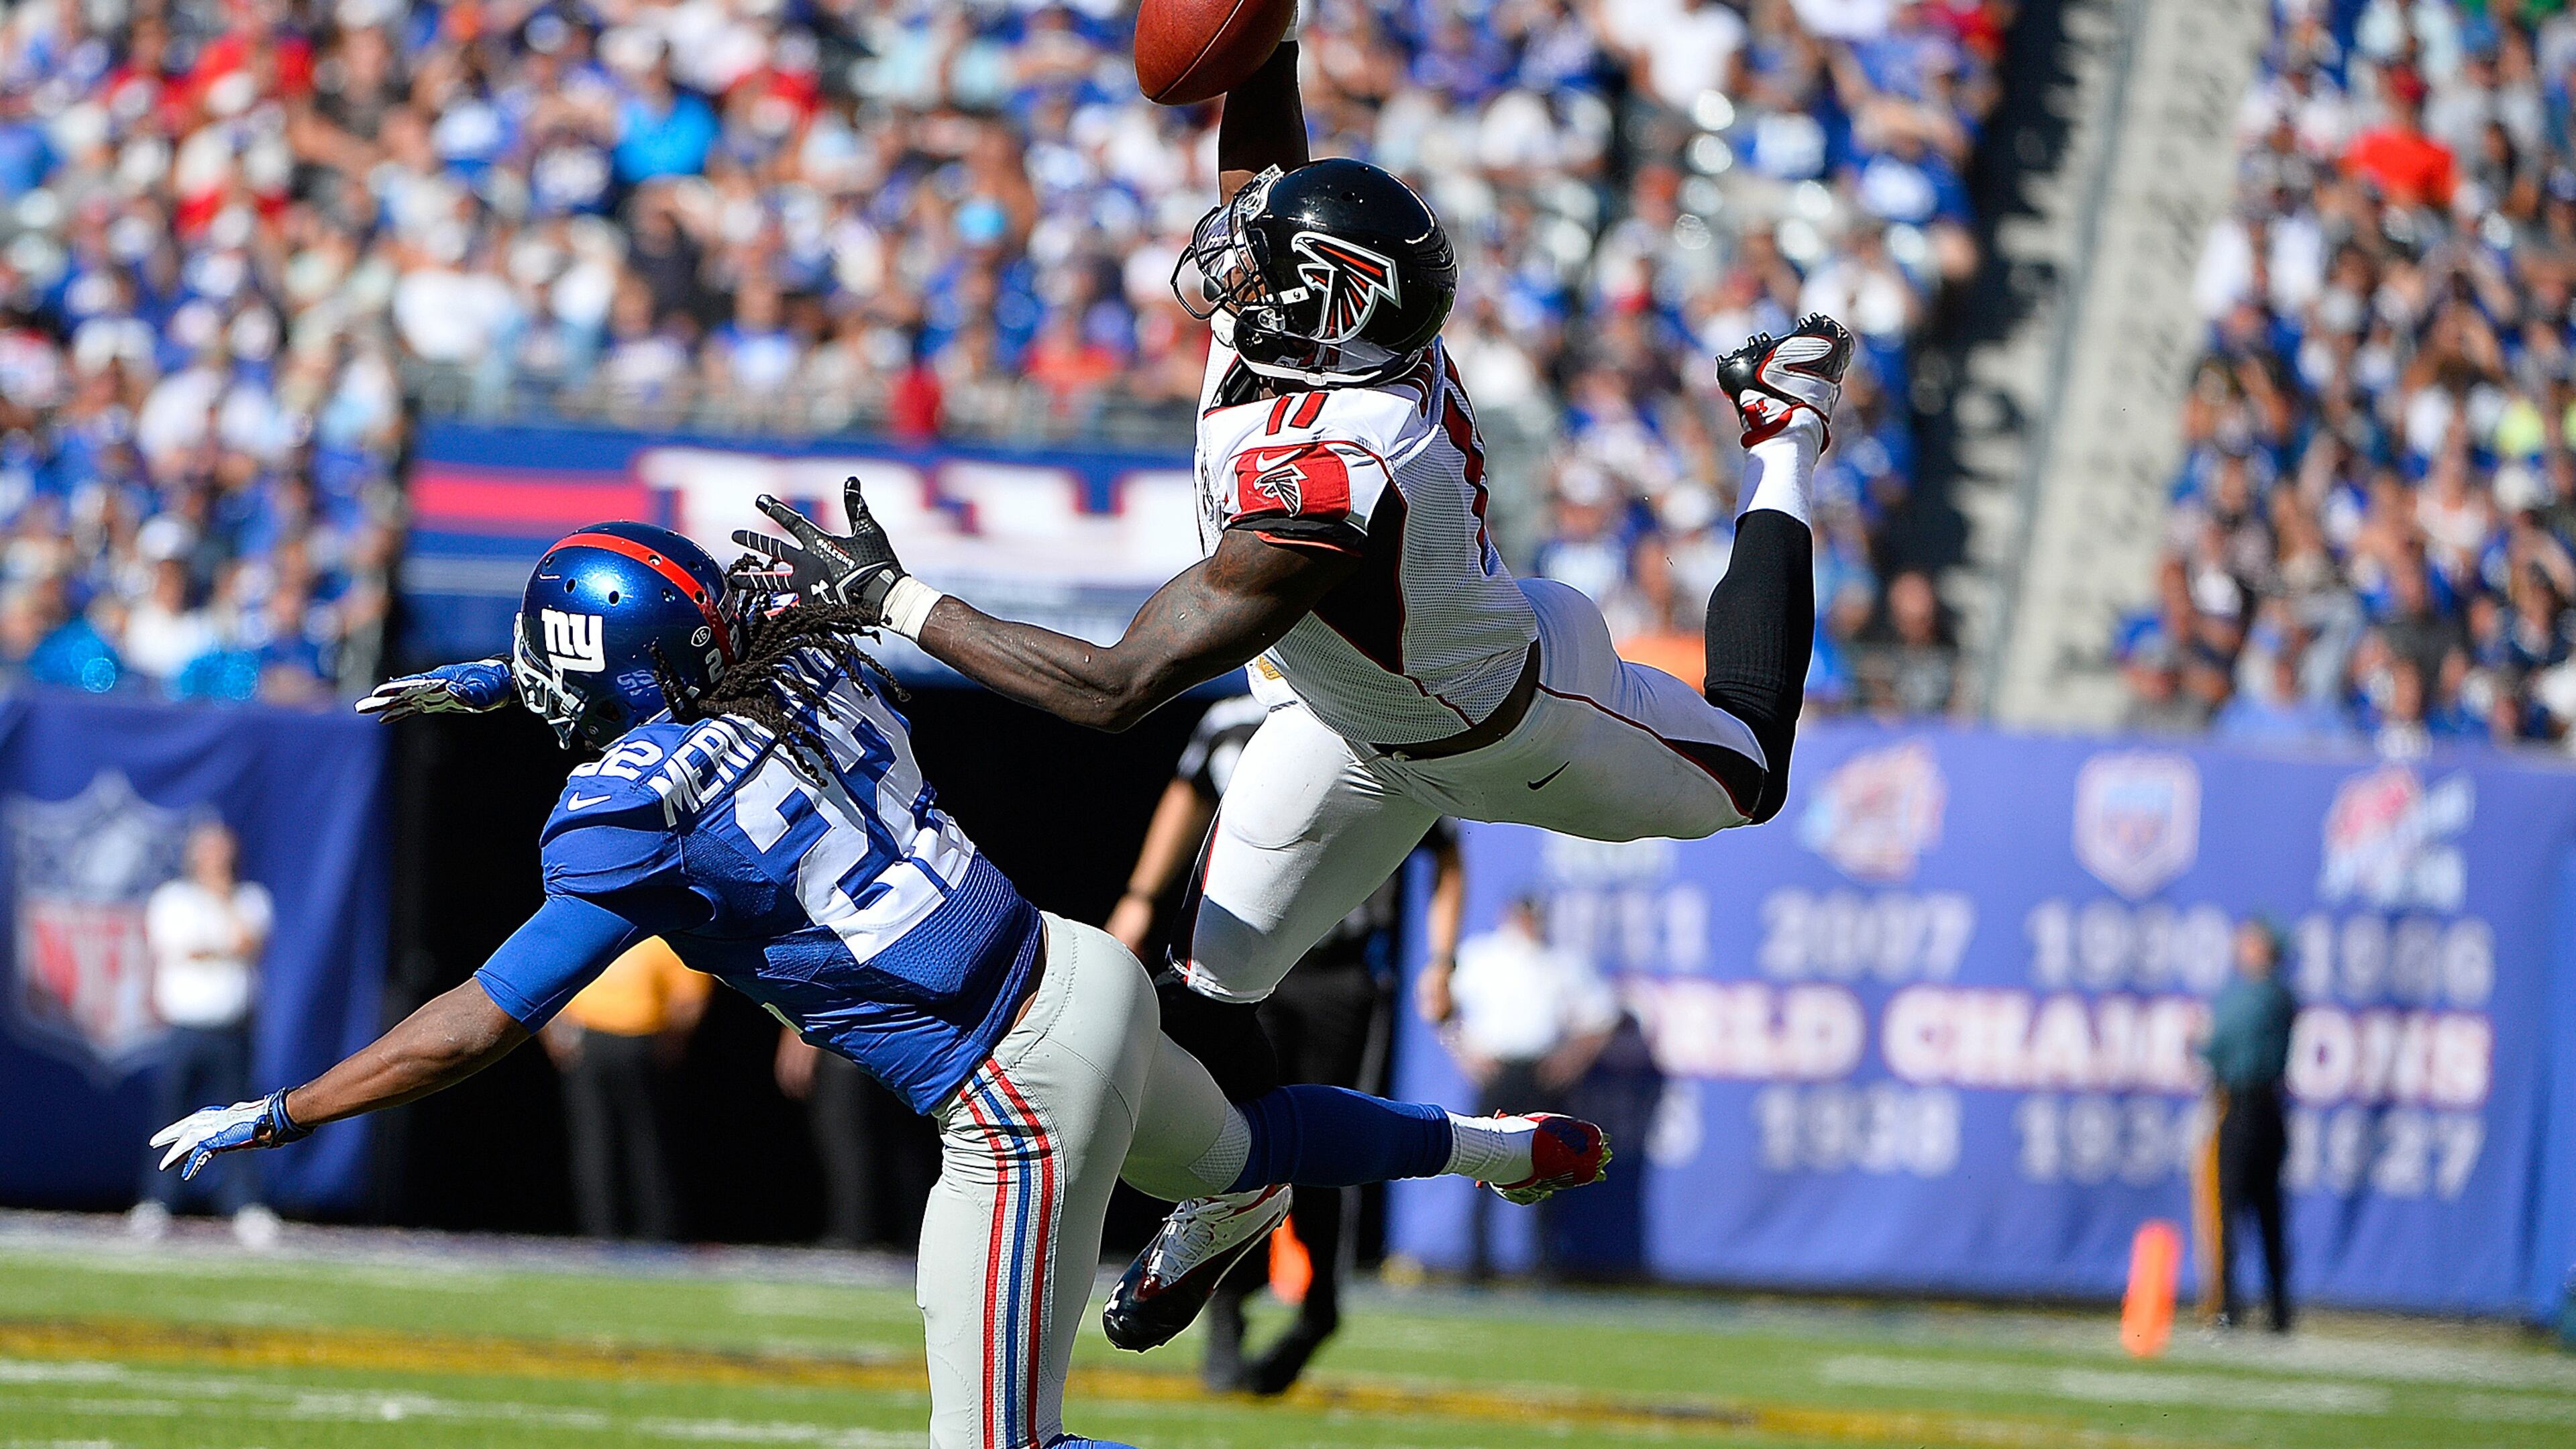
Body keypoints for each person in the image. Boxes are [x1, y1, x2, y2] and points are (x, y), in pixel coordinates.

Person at [727, 42, 1844, 1350]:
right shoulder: (1306, 343)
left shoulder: (1343, 469)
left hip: (1509, 730)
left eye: (1269, 264)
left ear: (1332, 308)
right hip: (1341, 720)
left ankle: (1786, 434)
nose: (1231, 261)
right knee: (1193, 1002)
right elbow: (1265, 156)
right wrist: (1271, 29)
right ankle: (1240, 1195)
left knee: (1751, 778)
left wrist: (893, 600)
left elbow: (1114, 687)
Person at [154, 522, 1609, 1449]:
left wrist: (286, 1109)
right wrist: (499, 678)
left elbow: (474, 1022)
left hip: (1005, 1089)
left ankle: (1293, 1198)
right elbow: (693, 654)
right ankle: (1494, 1155)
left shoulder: (622, 817)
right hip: (1074, 967)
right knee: (1245, 1146)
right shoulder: (809, 668)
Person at [1108, 692, 1466, 1394]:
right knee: (1228, 1132)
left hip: (1339, 976)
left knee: (1323, 1144)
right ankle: (1223, 1308)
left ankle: (1318, 1309)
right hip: (1243, 970)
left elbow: (1445, 849)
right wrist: (1142, 896)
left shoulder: (1381, 712)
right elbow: (1185, 798)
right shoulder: (1232, 725)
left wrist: (1442, 958)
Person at [1419, 898, 1618, 1281]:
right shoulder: (1482, 957)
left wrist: (1570, 1061)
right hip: (1497, 1069)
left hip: (1539, 1071)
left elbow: (1601, 1016)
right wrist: (1464, 1053)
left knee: (1549, 1163)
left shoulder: (1560, 962)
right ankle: (1477, 1263)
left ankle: (1543, 1262)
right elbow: (1438, 1004)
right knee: (1479, 1159)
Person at [131, 820, 279, 1248]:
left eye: (223, 851)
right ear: (194, 855)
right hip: (184, 1027)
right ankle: (157, 1203)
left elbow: (247, 942)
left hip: (233, 1030)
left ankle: (245, 1207)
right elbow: (184, 949)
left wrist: (222, 900)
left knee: (245, 1121)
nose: (216, 860)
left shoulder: (250, 898)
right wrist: (220, 944)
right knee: (170, 1118)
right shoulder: (172, 900)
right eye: (208, 851)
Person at [543, 937, 708, 1242]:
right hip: (605, 1038)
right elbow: (689, 1002)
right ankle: (608, 1233)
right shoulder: (662, 932)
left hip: (637, 1038)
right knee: (613, 1140)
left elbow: (688, 998)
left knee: (636, 1139)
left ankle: (647, 1233)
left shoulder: (601, 928)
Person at [2197, 918, 2297, 1332]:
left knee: (2236, 1211)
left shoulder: (2256, 997)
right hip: (2268, 1111)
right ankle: (2274, 1309)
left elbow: (2216, 1045)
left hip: (2243, 1109)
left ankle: (2229, 1307)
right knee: (2265, 1214)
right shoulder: (2277, 996)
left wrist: (2200, 1042)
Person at [775, 1024, 938, 1250]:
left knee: (850, 1140)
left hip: (852, 1038)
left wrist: (800, 1033)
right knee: (899, 1143)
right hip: (901, 1042)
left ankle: (854, 1236)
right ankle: (915, 1238)